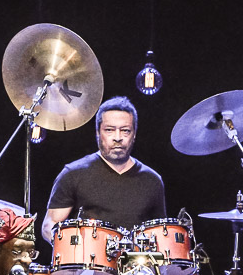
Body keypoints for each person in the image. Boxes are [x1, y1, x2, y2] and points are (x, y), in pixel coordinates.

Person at [41, 96, 167, 244]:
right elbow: (49, 225)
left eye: (125, 131)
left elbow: (161, 234)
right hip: (87, 262)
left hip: (134, 264)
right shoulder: (72, 173)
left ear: (134, 135)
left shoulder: (152, 180)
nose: (118, 137)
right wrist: (74, 248)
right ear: (97, 133)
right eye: (109, 130)